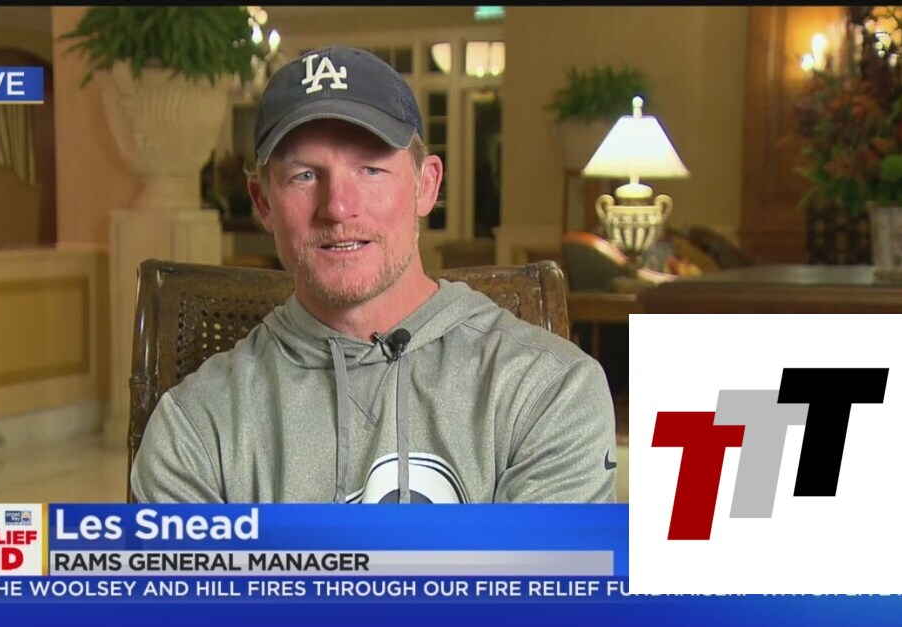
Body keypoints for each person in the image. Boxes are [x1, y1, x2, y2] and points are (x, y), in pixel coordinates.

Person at [131, 46, 616, 504]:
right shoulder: (195, 427)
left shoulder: (549, 389)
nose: (338, 207)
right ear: (264, 204)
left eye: (370, 170)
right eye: (304, 176)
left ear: (426, 185)